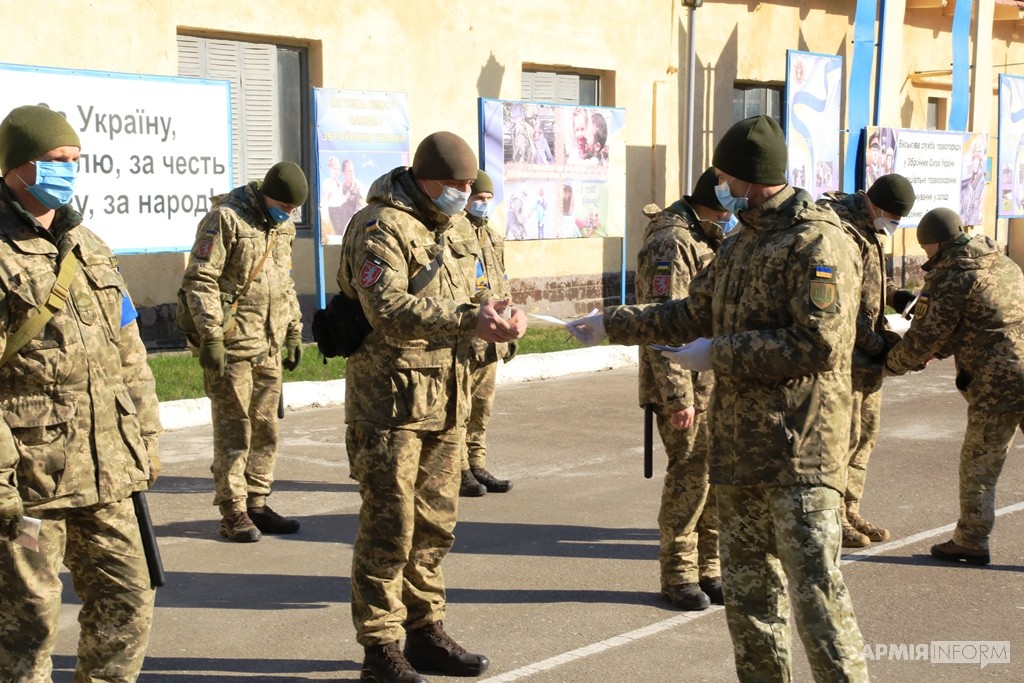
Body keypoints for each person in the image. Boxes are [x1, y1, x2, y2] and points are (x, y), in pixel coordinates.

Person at [568, 115, 869, 682]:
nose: (719, 185)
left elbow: (820, 343)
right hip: (738, 452)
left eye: (727, 175)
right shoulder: (739, 242)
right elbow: (690, 311)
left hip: (797, 455)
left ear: (755, 179)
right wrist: (612, 323)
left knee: (817, 603)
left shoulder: (816, 241)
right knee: (751, 608)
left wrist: (721, 354)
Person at [337, 131, 527, 683]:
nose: (465, 195)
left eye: (470, 186)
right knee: (388, 527)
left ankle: (424, 630)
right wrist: (470, 318)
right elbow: (388, 308)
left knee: (435, 526)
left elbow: (486, 289)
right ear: (425, 180)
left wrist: (502, 323)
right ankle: (380, 646)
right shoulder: (379, 226)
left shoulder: (465, 228)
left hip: (448, 402)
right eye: (455, 185)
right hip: (389, 407)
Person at [0, 104, 162, 680]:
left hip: (107, 469)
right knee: (27, 628)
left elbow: (128, 347)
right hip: (28, 481)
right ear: (18, 166)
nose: (67, 170)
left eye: (74, 160)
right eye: (53, 160)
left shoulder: (88, 243)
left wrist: (145, 435)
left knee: (128, 604)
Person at [884, 208, 1024, 567]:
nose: (928, 257)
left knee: (980, 462)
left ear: (939, 243)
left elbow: (926, 337)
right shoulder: (1002, 262)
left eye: (928, 250)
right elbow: (976, 322)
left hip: (999, 384)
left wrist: (890, 365)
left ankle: (971, 540)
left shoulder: (952, 276)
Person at [181, 161, 307, 543]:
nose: (287, 215)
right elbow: (199, 278)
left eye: (293, 211)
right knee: (234, 430)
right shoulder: (225, 219)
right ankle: (233, 511)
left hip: (267, 344)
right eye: (283, 207)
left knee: (266, 428)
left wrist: (293, 331)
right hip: (233, 344)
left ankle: (257, 501)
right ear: (267, 194)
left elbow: (284, 281)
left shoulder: (281, 227)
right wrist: (211, 336)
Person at [636, 167, 732, 611]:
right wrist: (678, 396)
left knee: (717, 480)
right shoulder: (671, 241)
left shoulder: (711, 235)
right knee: (689, 480)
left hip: (715, 384)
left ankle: (709, 568)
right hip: (686, 389)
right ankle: (677, 574)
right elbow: (663, 322)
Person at [817, 173, 917, 548]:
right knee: (840, 439)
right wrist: (882, 346)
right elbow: (842, 305)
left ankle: (850, 507)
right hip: (844, 357)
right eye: (891, 216)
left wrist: (899, 296)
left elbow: (871, 284)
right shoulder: (840, 231)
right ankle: (832, 517)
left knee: (864, 436)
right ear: (874, 205)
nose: (894, 225)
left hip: (866, 357)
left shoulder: (869, 228)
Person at [459, 170, 516, 498]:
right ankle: (460, 469)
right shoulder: (455, 233)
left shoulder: (493, 237)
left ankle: (477, 463)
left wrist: (510, 332)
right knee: (460, 408)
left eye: (487, 199)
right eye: (478, 198)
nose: (483, 204)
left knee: (481, 408)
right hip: (467, 332)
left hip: (493, 337)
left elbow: (502, 283)